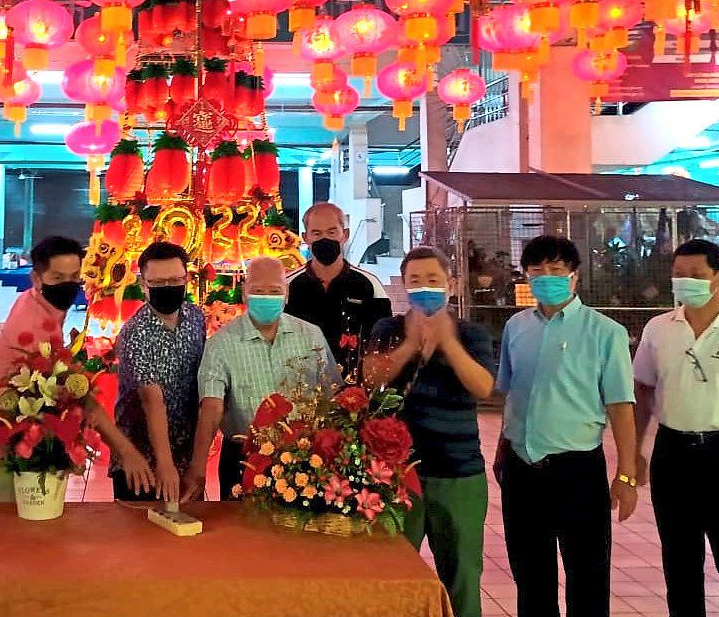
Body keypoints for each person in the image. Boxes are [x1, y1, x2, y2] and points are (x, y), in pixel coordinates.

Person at [495, 235, 638, 617]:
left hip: (577, 470)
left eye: (556, 270)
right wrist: (502, 451)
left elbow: (621, 406)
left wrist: (626, 474)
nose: (546, 278)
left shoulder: (606, 333)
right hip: (522, 471)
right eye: (537, 271)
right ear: (526, 277)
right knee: (530, 577)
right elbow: (510, 394)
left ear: (574, 277)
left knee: (587, 577)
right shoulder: (516, 327)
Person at [633, 239, 719, 617]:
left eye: (696, 275)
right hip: (672, 454)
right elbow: (642, 390)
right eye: (678, 275)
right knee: (679, 562)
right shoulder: (659, 329)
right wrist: (635, 453)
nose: (685, 282)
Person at [0, 236, 153, 508]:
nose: (67, 286)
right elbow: (78, 395)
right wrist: (126, 451)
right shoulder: (33, 327)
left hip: (24, 449)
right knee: (14, 542)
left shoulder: (37, 303)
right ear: (36, 278)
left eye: (74, 277)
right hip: (7, 457)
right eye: (58, 277)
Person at [363, 246, 496, 617]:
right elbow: (370, 379)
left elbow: (484, 387)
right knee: (391, 573)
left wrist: (448, 342)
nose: (424, 288)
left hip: (458, 473)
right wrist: (410, 344)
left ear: (450, 285)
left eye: (433, 280)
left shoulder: (471, 334)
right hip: (396, 476)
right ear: (403, 287)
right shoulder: (387, 329)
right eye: (415, 281)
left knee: (462, 574)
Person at [183, 256, 339, 502]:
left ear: (286, 295)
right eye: (258, 290)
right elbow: (211, 409)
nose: (266, 297)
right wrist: (198, 467)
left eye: (274, 291)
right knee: (242, 535)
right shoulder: (220, 345)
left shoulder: (311, 337)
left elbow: (332, 397)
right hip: (243, 459)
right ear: (245, 294)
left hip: (304, 458)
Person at [113, 241, 206, 502]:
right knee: (141, 536)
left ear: (186, 279)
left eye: (175, 280)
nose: (168, 288)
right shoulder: (135, 333)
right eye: (158, 283)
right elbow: (151, 400)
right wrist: (164, 464)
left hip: (185, 453)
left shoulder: (196, 318)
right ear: (143, 285)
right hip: (142, 461)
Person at [286, 202, 391, 381]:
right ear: (305, 238)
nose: (325, 239)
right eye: (316, 233)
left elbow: (383, 343)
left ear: (345, 235)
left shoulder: (370, 285)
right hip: (301, 389)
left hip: (355, 393)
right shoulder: (288, 285)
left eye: (332, 232)